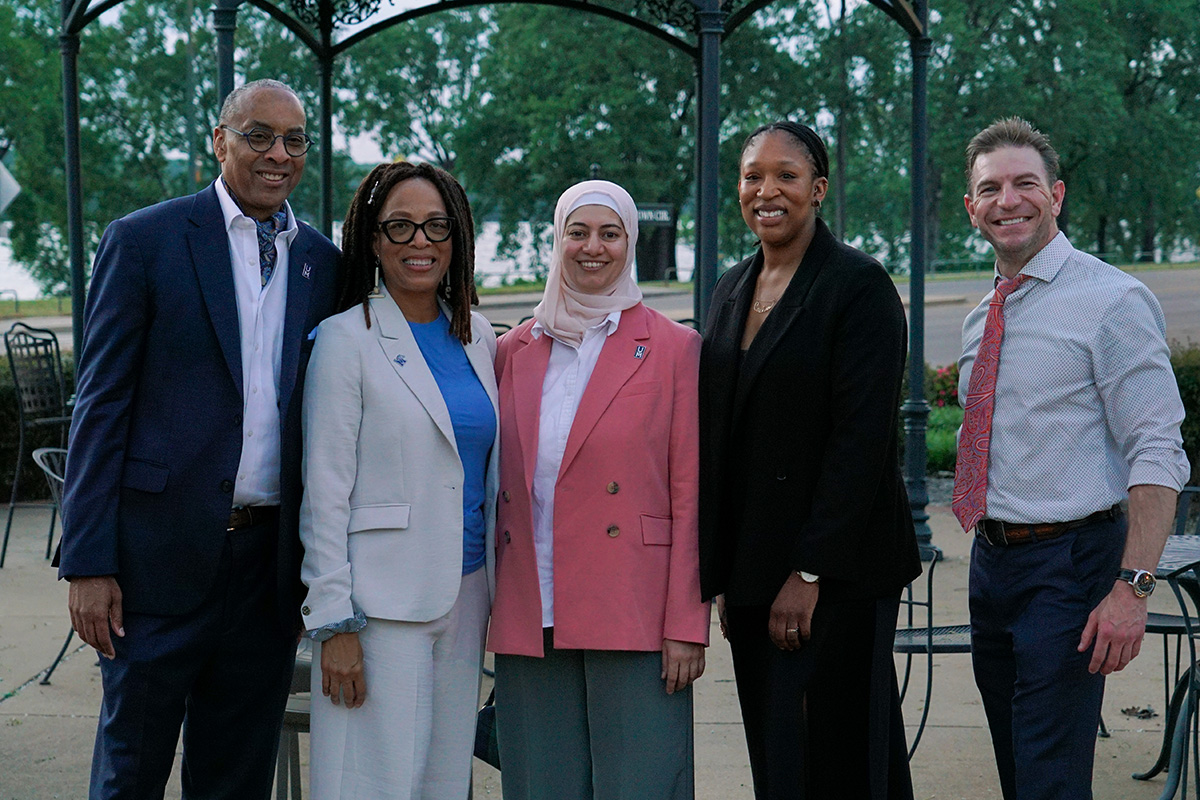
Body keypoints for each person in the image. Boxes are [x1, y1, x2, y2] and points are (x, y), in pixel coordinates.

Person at [57, 79, 341, 798]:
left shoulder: (322, 263)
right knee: (130, 772)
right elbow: (99, 405)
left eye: (295, 140)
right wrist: (87, 561)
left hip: (267, 571)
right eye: (259, 135)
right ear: (220, 141)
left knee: (236, 779)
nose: (279, 154)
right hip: (154, 563)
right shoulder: (144, 240)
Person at [954, 117, 1190, 800]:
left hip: (1071, 563)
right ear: (971, 208)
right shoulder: (982, 316)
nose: (1009, 200)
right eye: (990, 188)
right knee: (1017, 768)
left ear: (1056, 194)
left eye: (1025, 183)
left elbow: (1158, 451)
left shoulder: (1110, 301)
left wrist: (1133, 588)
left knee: (1048, 777)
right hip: (992, 563)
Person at [698, 121, 919, 800]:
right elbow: (723, 441)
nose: (766, 191)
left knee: (843, 760)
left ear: (818, 189)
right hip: (755, 574)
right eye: (751, 175)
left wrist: (809, 570)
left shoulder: (858, 286)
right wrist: (727, 576)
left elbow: (861, 443)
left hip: (837, 575)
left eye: (786, 176)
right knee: (780, 760)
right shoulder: (732, 288)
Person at [488, 179, 709, 800]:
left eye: (609, 234)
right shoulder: (512, 351)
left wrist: (686, 623)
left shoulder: (673, 348)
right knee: (541, 784)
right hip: (532, 603)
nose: (593, 248)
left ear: (630, 242)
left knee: (639, 782)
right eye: (576, 233)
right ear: (556, 241)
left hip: (633, 604)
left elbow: (690, 493)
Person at [298, 160, 499, 800]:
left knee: (443, 784)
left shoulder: (480, 337)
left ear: (457, 237)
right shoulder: (343, 338)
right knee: (371, 785)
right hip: (378, 609)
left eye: (436, 226)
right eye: (401, 227)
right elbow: (324, 491)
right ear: (373, 239)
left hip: (467, 595)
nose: (421, 242)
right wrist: (334, 622)